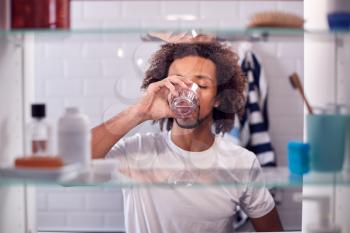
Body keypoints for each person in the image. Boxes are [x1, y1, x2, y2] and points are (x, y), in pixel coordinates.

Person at [92, 42, 283, 233]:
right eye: (176, 83)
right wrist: (138, 112)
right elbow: (68, 167)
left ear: (218, 98)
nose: (187, 92)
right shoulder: (137, 151)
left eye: (201, 85)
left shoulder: (241, 162)